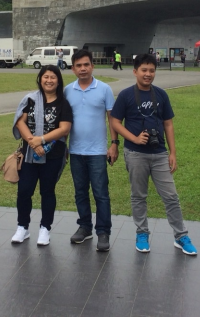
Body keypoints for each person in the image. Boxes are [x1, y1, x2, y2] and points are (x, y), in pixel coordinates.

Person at [109, 53, 198, 256]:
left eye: (151, 71)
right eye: (144, 70)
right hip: (135, 153)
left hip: (159, 153)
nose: (148, 74)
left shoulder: (161, 94)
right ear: (135, 72)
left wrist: (172, 152)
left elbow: (168, 123)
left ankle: (181, 236)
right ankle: (142, 233)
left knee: (171, 196)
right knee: (138, 196)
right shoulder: (126, 95)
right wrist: (133, 138)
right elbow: (114, 122)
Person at [11, 65, 73, 246]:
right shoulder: (30, 99)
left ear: (58, 81)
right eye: (46, 76)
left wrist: (42, 140)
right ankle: (23, 227)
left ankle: (45, 228)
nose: (49, 80)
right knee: (24, 191)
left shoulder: (63, 103)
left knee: (47, 192)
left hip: (53, 156)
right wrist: (33, 141)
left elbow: (65, 128)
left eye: (53, 77)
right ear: (40, 79)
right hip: (30, 155)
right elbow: (20, 122)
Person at [64, 49, 117, 251]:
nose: (83, 68)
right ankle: (85, 227)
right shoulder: (67, 90)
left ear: (92, 66)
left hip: (98, 152)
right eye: (78, 65)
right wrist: (64, 145)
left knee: (101, 193)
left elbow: (112, 118)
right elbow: (64, 120)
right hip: (76, 151)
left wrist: (114, 143)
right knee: (80, 192)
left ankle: (103, 232)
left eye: (86, 64)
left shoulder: (104, 89)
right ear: (73, 69)